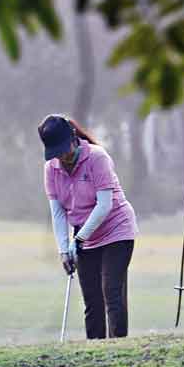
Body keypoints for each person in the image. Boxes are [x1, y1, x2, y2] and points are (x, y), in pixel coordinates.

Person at [39, 114, 138, 339]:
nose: (61, 157)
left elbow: (104, 206)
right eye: (56, 153)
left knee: (111, 292)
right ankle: (94, 352)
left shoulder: (96, 158)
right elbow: (58, 212)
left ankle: (118, 349)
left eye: (64, 149)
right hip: (84, 235)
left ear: (73, 139)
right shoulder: (51, 169)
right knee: (92, 300)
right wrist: (64, 250)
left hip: (116, 229)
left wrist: (78, 240)